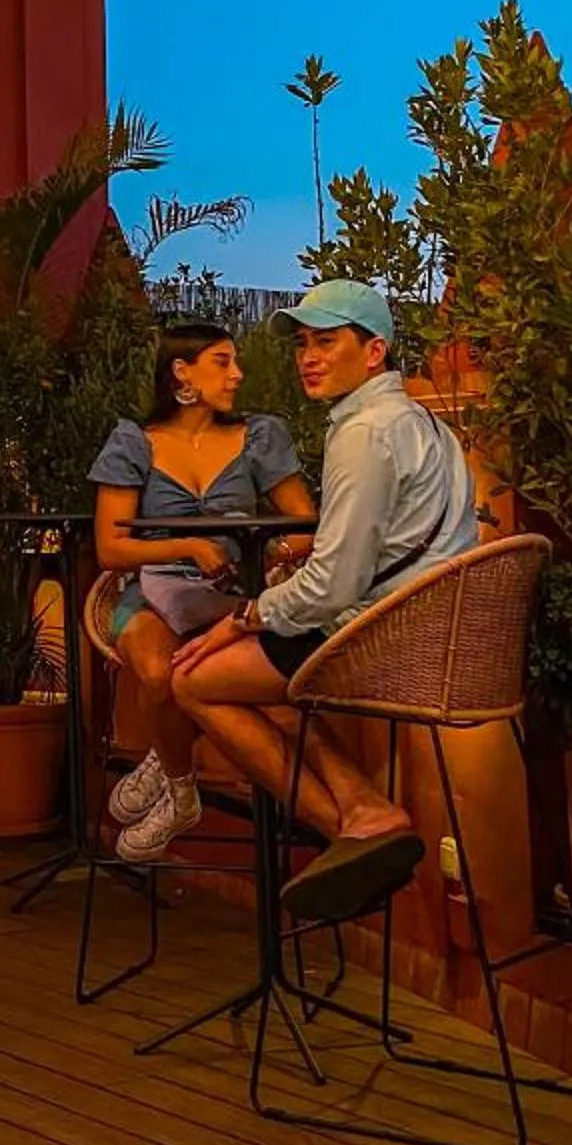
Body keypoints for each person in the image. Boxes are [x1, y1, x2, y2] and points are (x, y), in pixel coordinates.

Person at [169, 279, 478, 925]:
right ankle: (362, 808)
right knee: (260, 678)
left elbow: (334, 589)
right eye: (303, 344)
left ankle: (351, 832)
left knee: (195, 680)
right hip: (431, 632)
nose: (308, 356)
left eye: (326, 342)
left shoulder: (364, 433)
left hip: (380, 642)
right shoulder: (422, 419)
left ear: (374, 353)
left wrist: (242, 619)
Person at [90, 326, 316, 863]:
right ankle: (181, 788)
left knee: (196, 676)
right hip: (149, 588)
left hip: (232, 594)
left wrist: (268, 551)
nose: (237, 374)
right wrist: (189, 545)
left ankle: (163, 758)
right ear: (181, 372)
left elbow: (306, 525)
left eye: (236, 362)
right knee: (156, 671)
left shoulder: (260, 436)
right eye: (222, 362)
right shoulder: (134, 441)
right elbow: (109, 547)